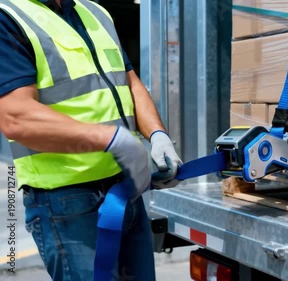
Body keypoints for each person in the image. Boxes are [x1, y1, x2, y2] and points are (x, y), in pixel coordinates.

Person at [0, 0, 182, 280]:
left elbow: (130, 81)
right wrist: (114, 139)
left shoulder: (94, 11)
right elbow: (16, 117)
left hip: (125, 191)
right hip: (67, 201)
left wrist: (158, 135)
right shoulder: (9, 16)